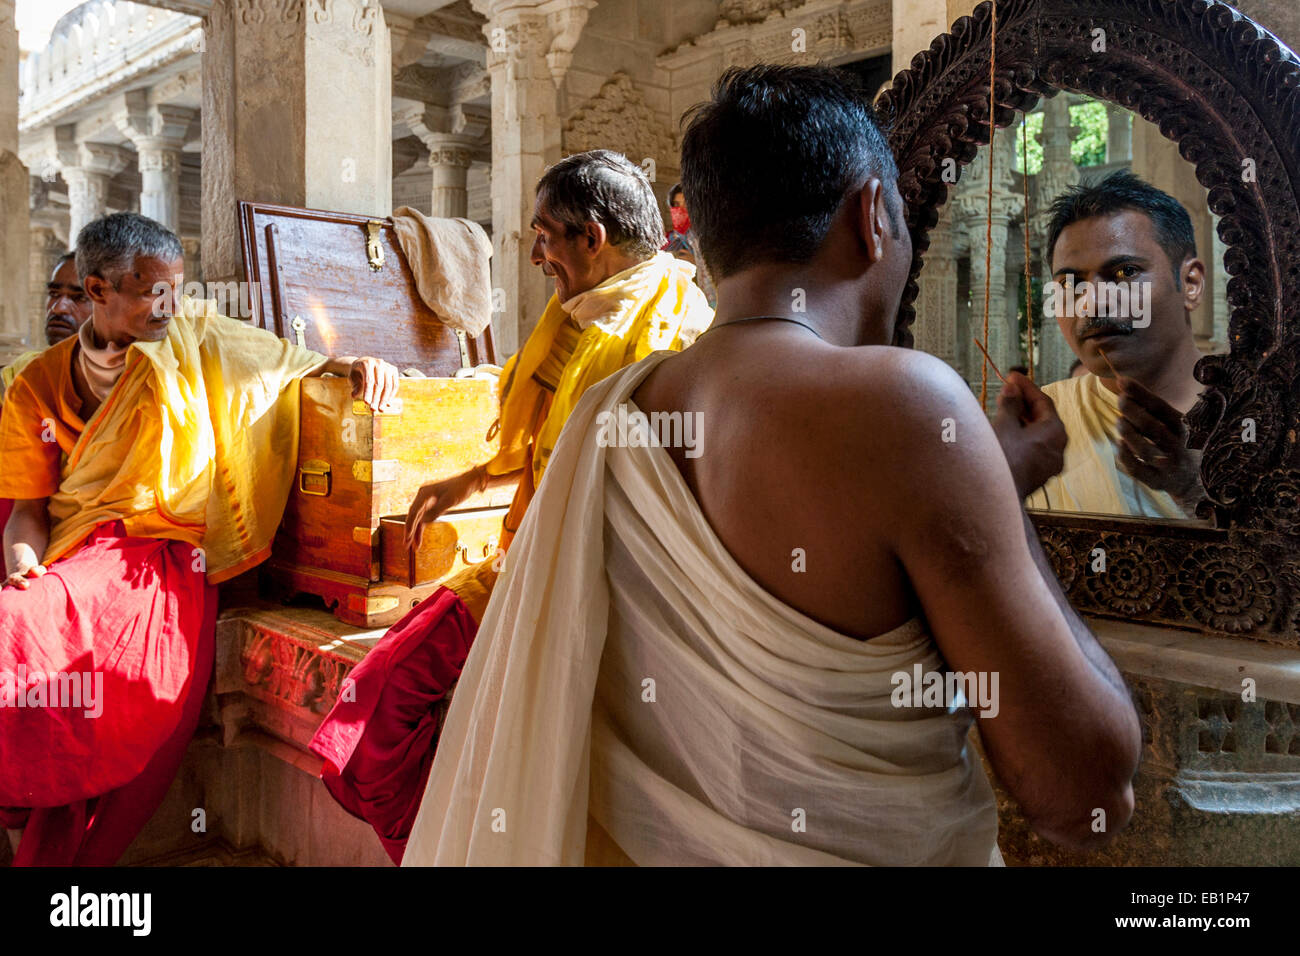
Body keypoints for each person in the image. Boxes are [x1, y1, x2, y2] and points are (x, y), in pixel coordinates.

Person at [402, 64, 1141, 866]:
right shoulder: (906, 407)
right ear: (871, 218)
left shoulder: (606, 415)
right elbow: (1084, 795)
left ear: (711, 242)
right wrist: (998, 493)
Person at [308, 149, 714, 864]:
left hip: (584, 582)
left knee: (382, 701)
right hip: (525, 558)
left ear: (592, 237)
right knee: (372, 715)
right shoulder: (581, 315)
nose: (533, 253)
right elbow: (547, 449)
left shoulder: (675, 333)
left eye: (543, 233)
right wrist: (467, 483)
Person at [0, 212, 399, 866]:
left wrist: (352, 363)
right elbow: (27, 512)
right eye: (148, 291)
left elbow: (288, 364)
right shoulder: (35, 384)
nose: (168, 306)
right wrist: (23, 566)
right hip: (73, 557)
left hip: (163, 565)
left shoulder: (196, 339)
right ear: (96, 291)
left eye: (173, 290)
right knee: (18, 629)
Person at [1027, 171, 1208, 518]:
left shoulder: (1263, 418)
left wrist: (1194, 490)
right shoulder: (1043, 420)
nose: (1091, 303)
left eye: (1125, 272)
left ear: (1190, 283)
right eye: (1070, 282)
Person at [1, 251, 94, 400]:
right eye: (54, 294)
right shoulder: (24, 373)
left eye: (80, 297)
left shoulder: (135, 384)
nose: (57, 308)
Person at [663, 183, 717, 308]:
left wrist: (696, 263)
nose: (681, 210)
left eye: (687, 204)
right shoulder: (668, 241)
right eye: (676, 205)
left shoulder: (710, 238)